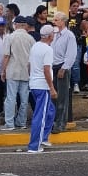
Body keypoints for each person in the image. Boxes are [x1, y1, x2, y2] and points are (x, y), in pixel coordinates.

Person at [26, 25, 58, 153]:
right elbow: (46, 70)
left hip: (34, 84)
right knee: (41, 115)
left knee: (50, 111)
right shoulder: (48, 50)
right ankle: (34, 145)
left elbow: (29, 65)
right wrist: (51, 88)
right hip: (42, 86)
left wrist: (32, 78)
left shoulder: (35, 46)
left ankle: (43, 137)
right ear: (50, 36)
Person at [1, 16, 36, 131]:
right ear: (25, 25)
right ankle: (21, 122)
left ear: (16, 24)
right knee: (24, 99)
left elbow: (6, 55)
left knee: (11, 98)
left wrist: (3, 70)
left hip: (13, 71)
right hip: (26, 72)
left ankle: (9, 123)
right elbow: (33, 58)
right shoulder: (30, 39)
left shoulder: (10, 38)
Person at [50, 12, 78, 131]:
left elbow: (71, 54)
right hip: (53, 66)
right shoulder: (54, 34)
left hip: (62, 67)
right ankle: (54, 121)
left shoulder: (69, 35)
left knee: (62, 97)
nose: (54, 22)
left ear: (63, 21)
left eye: (56, 20)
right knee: (54, 96)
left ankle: (61, 123)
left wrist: (64, 67)